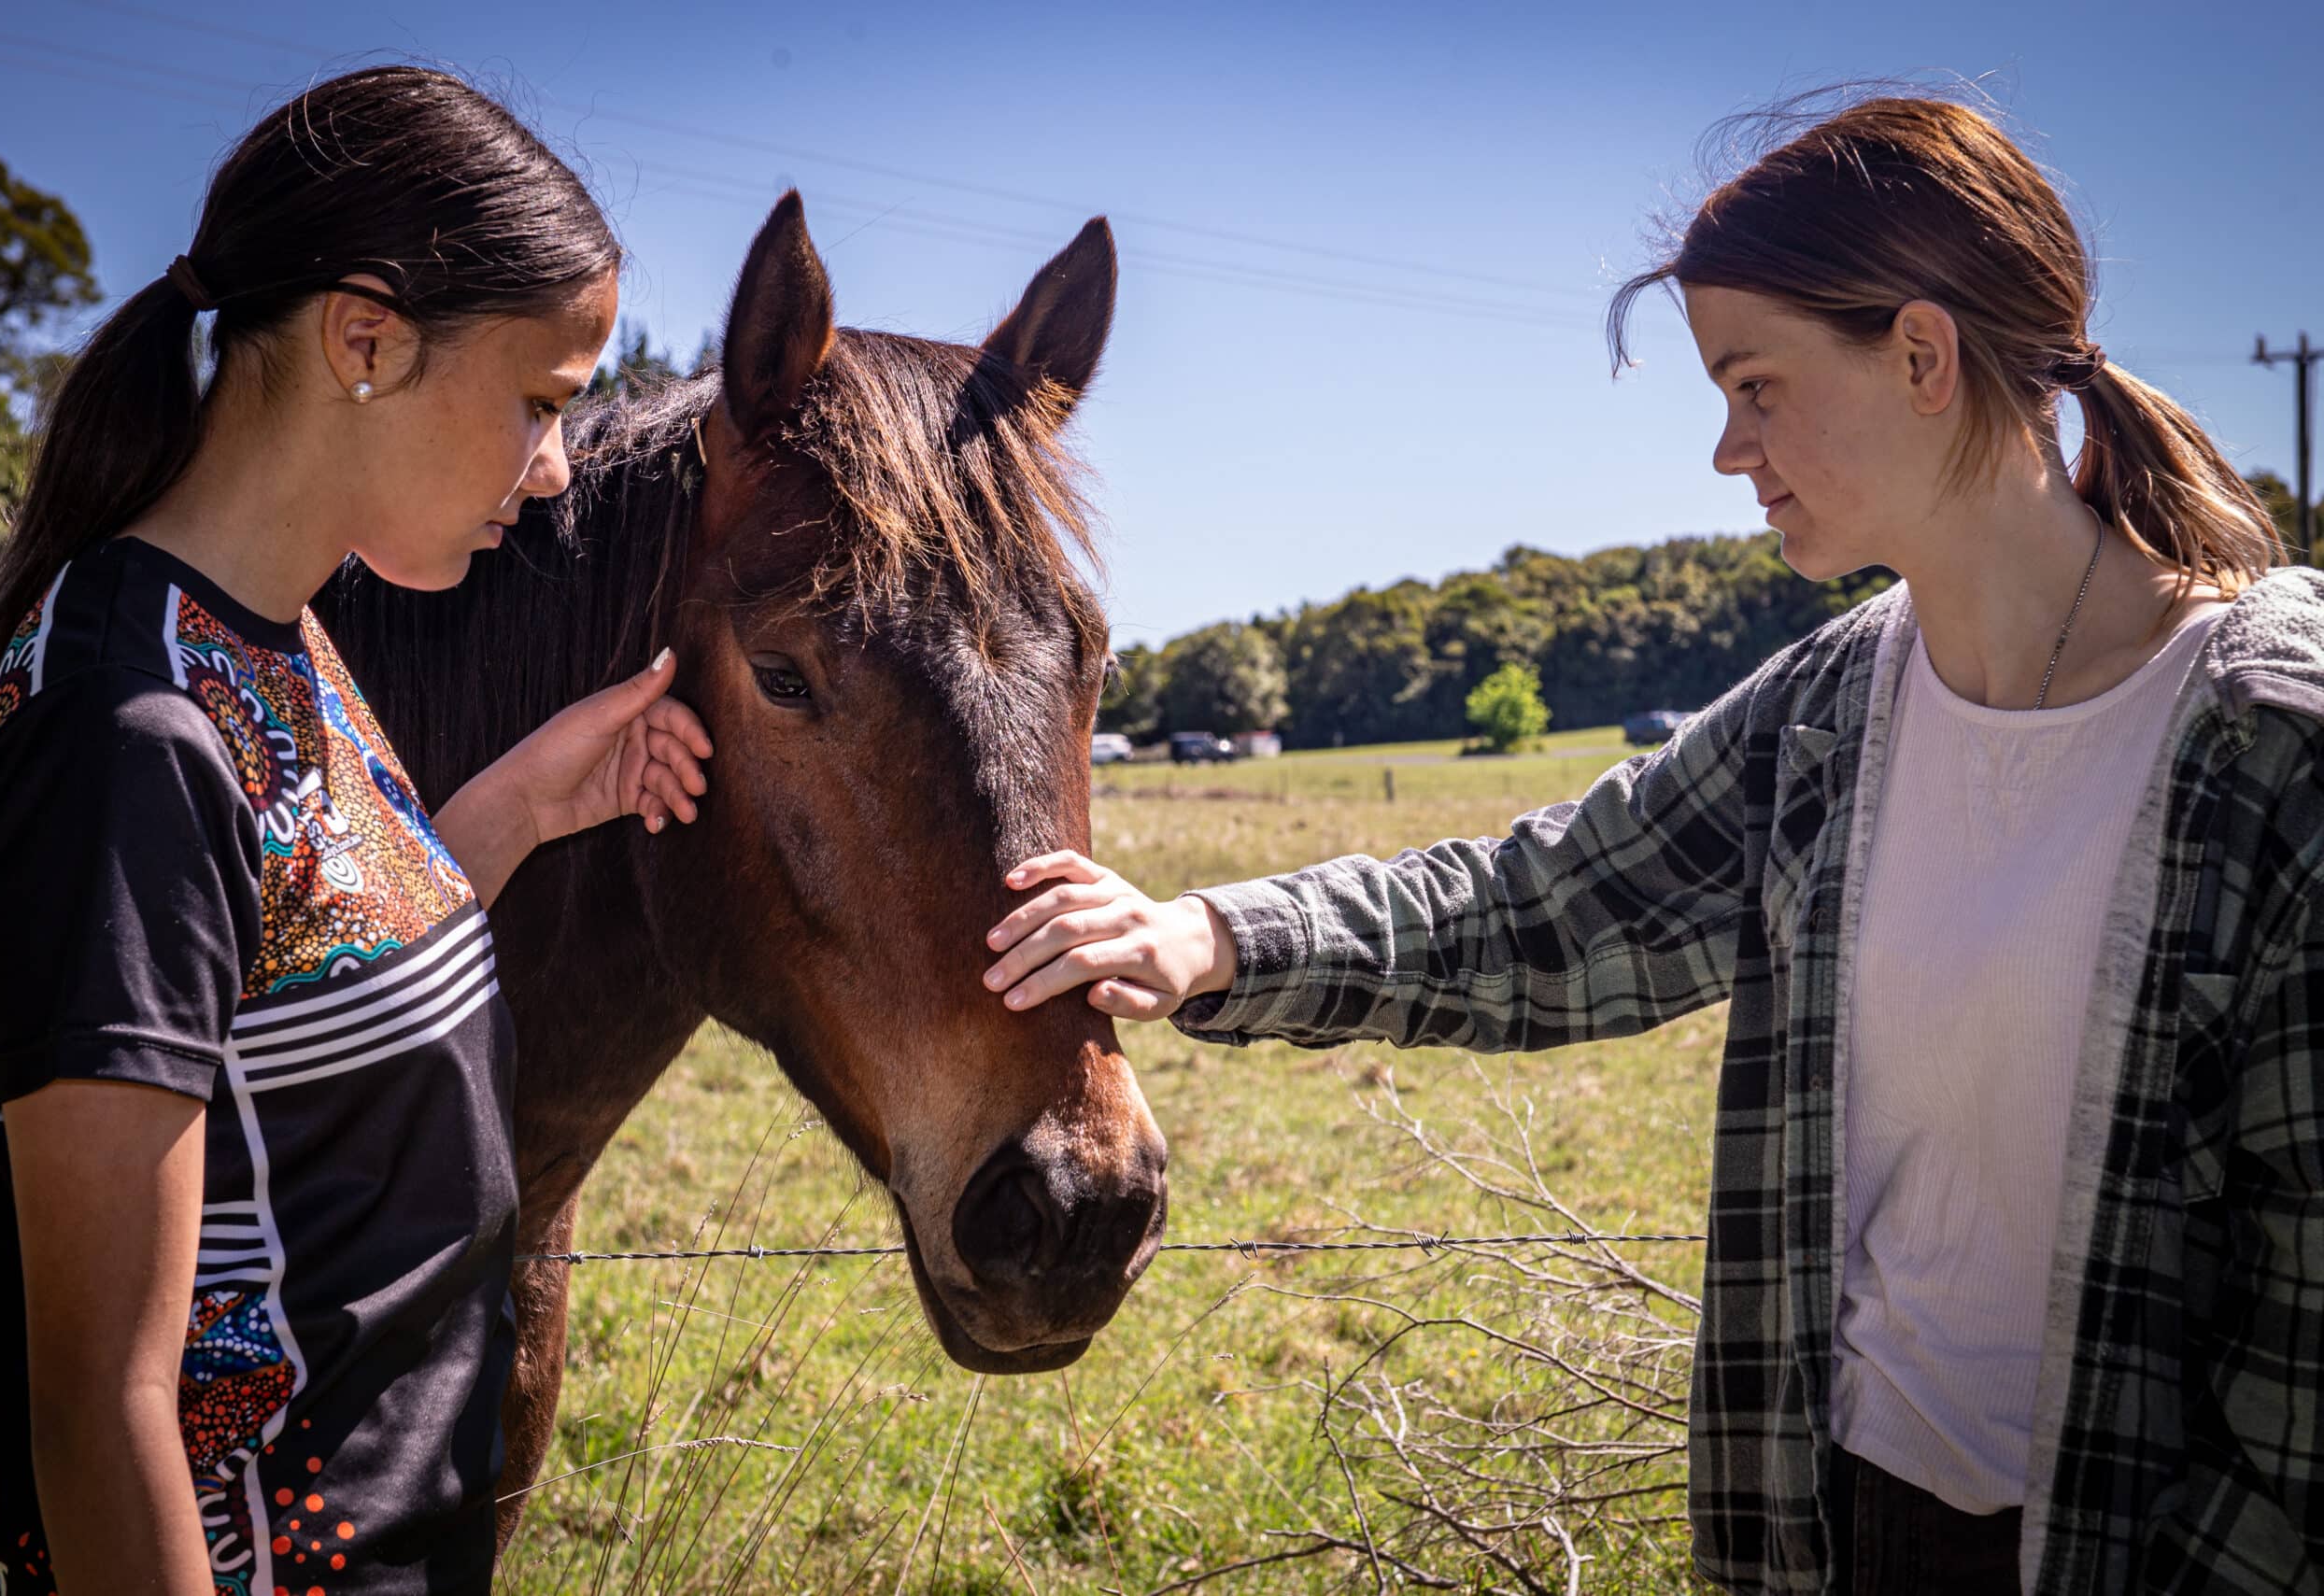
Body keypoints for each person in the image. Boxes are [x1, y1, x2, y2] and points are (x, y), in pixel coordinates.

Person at [984, 95, 2321, 1594]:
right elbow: (1543, 909)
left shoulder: (2273, 746)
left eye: (1755, 385)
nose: (1726, 446)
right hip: (1833, 1531)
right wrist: (1214, 938)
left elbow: (2303, 1380)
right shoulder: (1833, 713)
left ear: (1925, 357)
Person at [0, 68, 713, 1595]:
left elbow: (286, 999)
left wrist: (524, 803)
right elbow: (103, 1412)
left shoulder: (268, 630)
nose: (553, 469)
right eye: (541, 401)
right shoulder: (126, 745)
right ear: (366, 339)